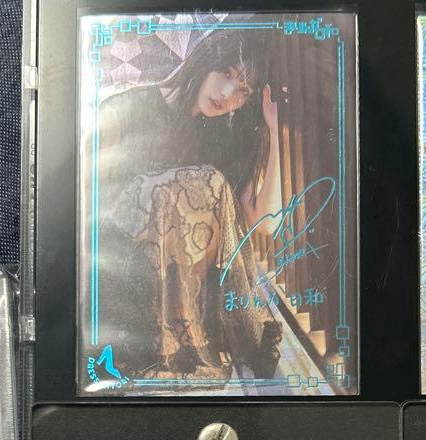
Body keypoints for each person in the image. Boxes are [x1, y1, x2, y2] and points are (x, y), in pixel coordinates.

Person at [92, 27, 284, 383]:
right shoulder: (125, 109)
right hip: (126, 268)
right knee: (186, 184)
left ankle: (183, 333)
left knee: (210, 181)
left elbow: (266, 221)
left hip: (190, 279)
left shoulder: (223, 139)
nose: (227, 94)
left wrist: (274, 133)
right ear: (205, 60)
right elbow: (90, 201)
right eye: (226, 73)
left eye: (243, 91)